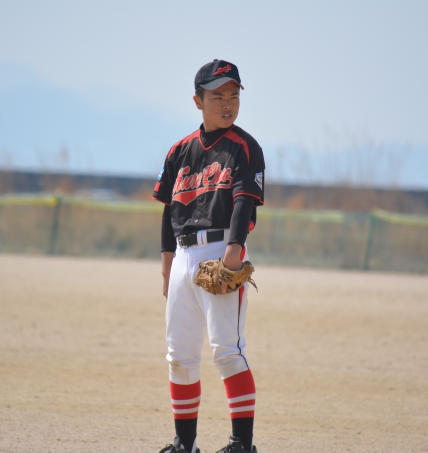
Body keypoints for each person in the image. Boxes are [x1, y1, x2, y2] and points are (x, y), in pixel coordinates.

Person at [153, 59, 265, 453]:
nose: (227, 103)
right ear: (198, 101)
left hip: (221, 250)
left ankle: (241, 445)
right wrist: (167, 271)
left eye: (233, 95)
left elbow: (244, 203)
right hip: (183, 256)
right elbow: (169, 212)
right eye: (217, 96)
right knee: (179, 356)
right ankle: (184, 445)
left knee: (227, 350)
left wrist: (233, 255)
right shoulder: (179, 151)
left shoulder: (244, 147)